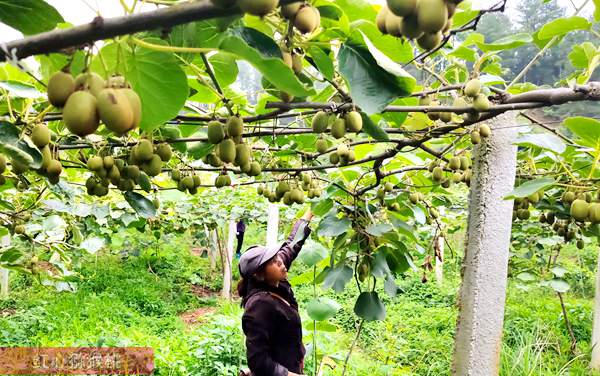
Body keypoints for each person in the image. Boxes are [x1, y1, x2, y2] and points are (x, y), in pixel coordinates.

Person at [237, 209, 314, 376]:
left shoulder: (273, 276)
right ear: (258, 274)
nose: (280, 261)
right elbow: (258, 361)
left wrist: (309, 214)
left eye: (277, 257)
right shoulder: (259, 305)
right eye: (273, 260)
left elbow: (292, 244)